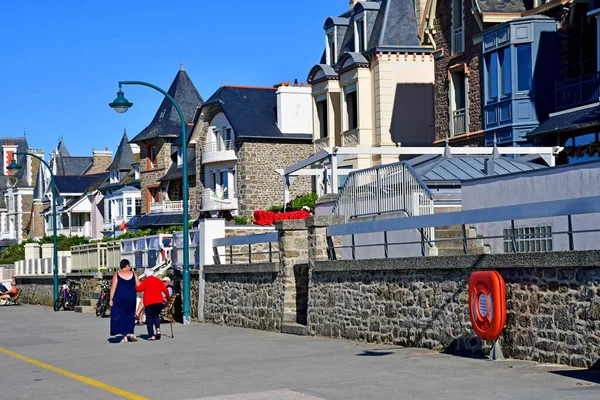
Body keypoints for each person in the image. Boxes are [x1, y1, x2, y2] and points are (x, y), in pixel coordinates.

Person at [109, 259, 140, 343]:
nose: (130, 267)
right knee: (130, 315)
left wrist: (111, 298)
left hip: (120, 298)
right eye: (129, 266)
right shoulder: (134, 274)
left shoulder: (117, 275)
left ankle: (125, 336)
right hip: (131, 297)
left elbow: (113, 288)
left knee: (121, 316)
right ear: (126, 266)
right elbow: (139, 286)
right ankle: (132, 333)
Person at [136, 273, 170, 340]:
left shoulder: (146, 281)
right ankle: (158, 330)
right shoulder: (158, 280)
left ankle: (151, 335)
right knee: (156, 316)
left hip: (149, 302)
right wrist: (168, 298)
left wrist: (134, 285)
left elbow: (139, 289)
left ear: (146, 275)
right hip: (159, 302)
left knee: (149, 318)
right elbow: (165, 290)